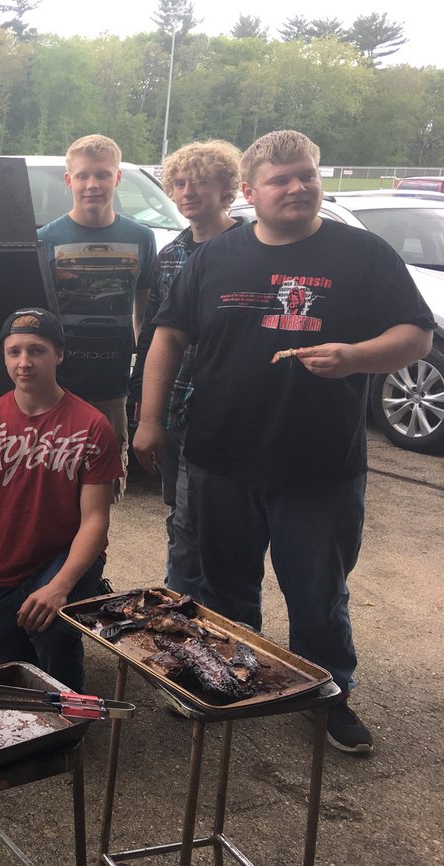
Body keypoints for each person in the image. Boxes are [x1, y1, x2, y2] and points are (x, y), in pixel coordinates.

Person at [133, 130, 434, 754]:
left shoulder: (363, 254)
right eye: (280, 180)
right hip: (220, 459)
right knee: (221, 590)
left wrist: (356, 356)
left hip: (319, 466)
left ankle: (328, 698)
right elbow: (167, 337)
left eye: (306, 176)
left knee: (318, 595)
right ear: (250, 192)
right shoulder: (215, 258)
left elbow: (415, 336)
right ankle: (229, 682)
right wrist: (149, 419)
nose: (297, 188)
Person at [0, 308, 121, 692]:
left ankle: (73, 723)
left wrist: (61, 586)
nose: (23, 362)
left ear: (59, 354)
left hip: (70, 554)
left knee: (54, 630)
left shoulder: (91, 425)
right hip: (11, 563)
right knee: (10, 665)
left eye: (36, 350)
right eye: (14, 352)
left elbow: (96, 520)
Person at [132, 140, 245, 598]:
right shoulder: (171, 255)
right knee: (178, 510)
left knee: (219, 520)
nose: (187, 191)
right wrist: (143, 402)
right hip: (177, 406)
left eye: (200, 181)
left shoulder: (250, 247)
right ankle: (180, 607)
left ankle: (213, 608)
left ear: (227, 187)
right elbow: (153, 333)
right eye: (179, 183)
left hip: (231, 410)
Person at [36, 134, 157, 502]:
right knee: (53, 485)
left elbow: (144, 316)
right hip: (57, 387)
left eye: (103, 175)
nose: (93, 185)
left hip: (112, 388)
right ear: (69, 180)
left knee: (101, 490)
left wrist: (142, 379)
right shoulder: (45, 240)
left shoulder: (141, 237)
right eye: (84, 176)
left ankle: (92, 561)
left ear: (117, 178)